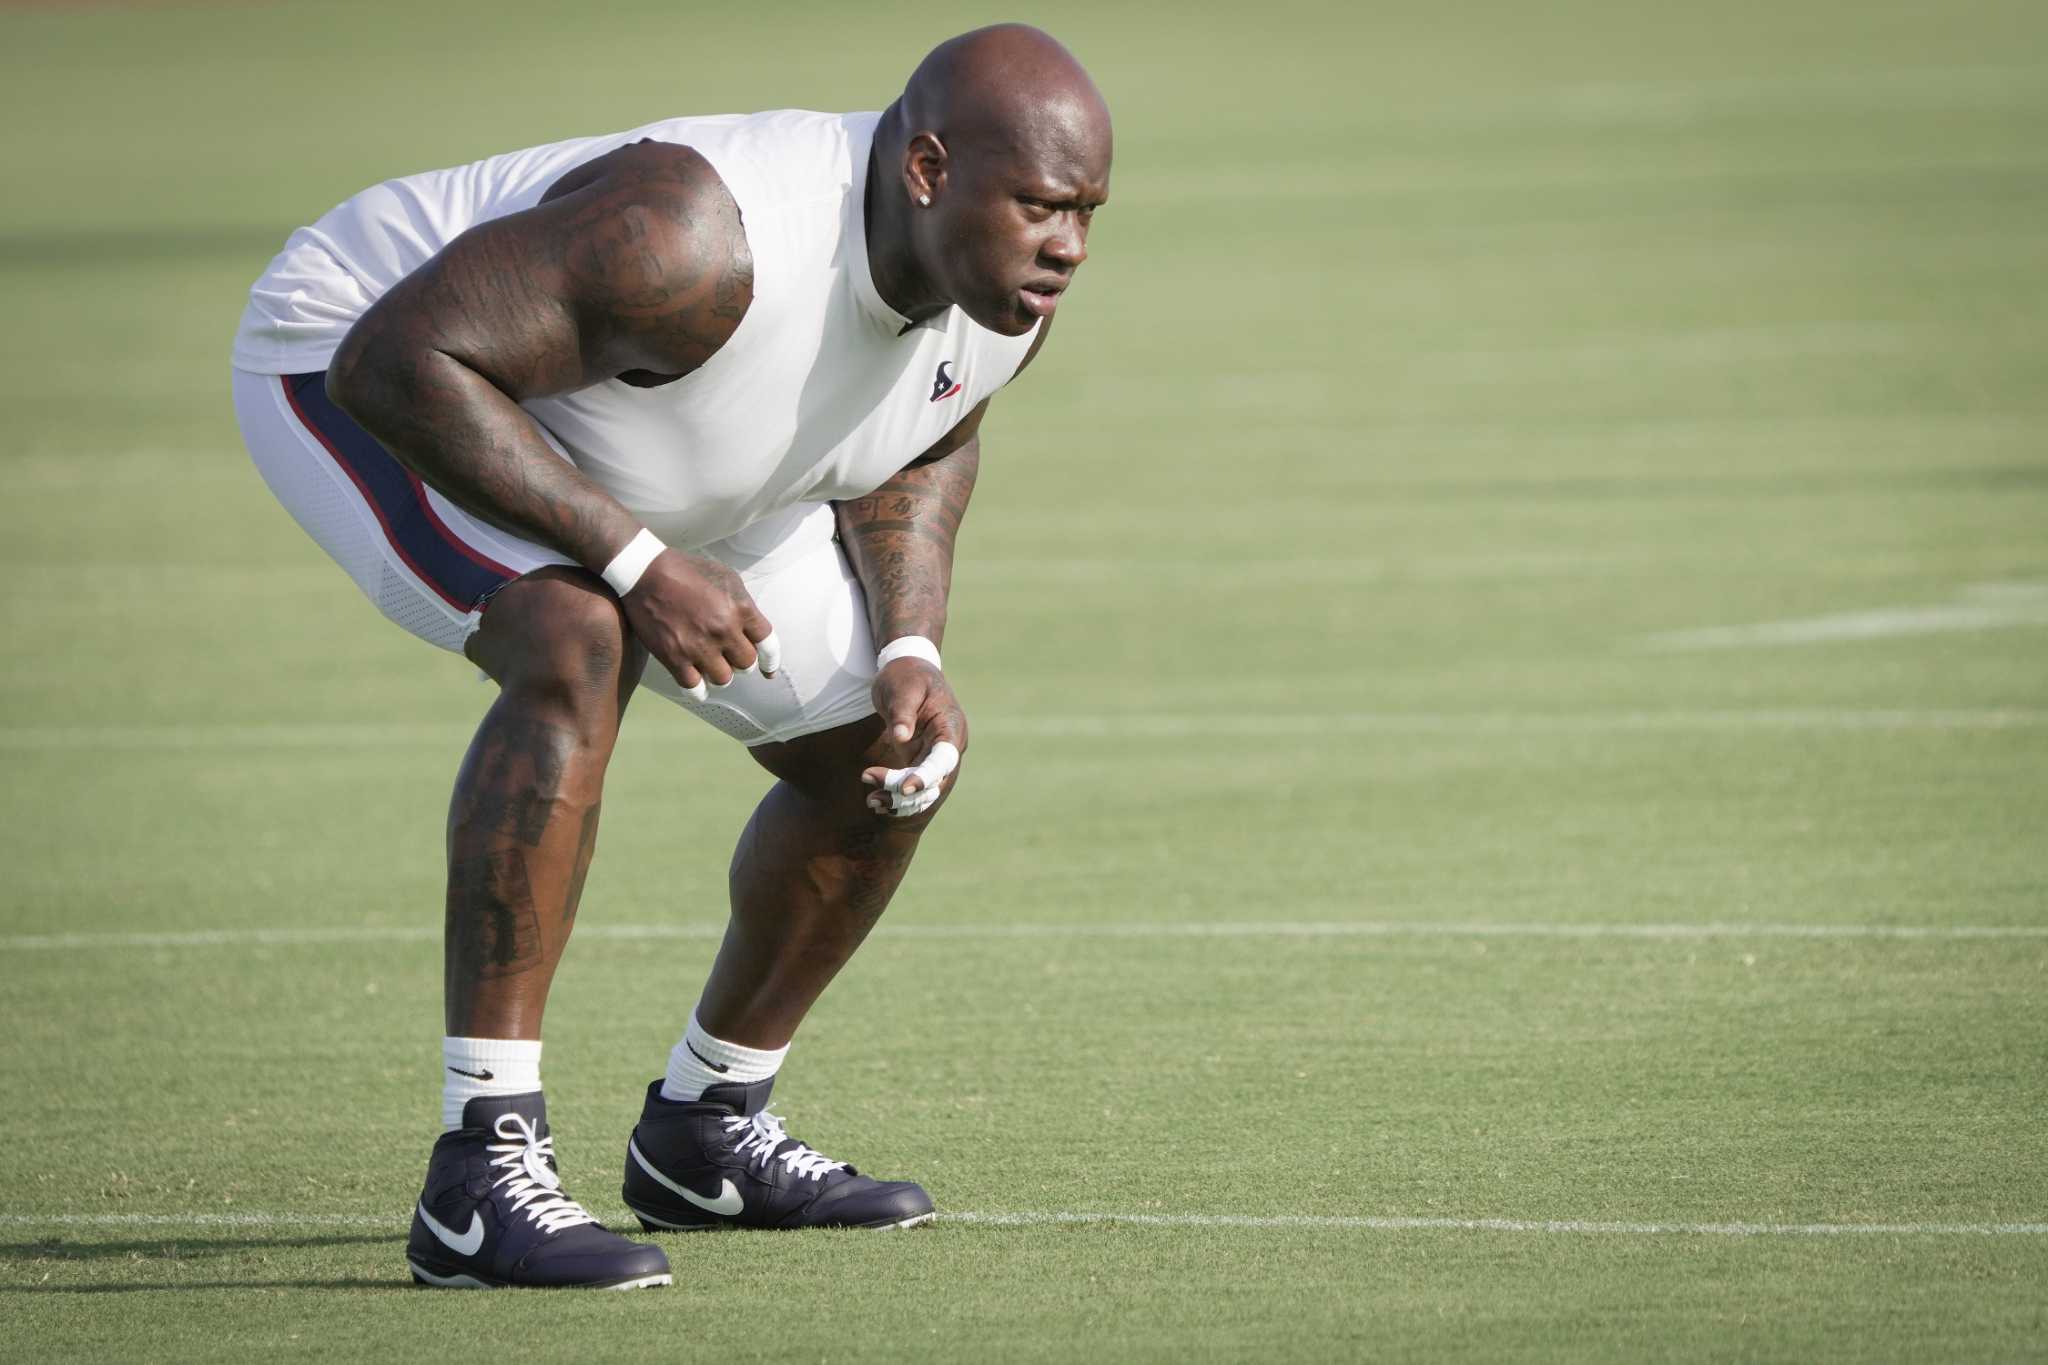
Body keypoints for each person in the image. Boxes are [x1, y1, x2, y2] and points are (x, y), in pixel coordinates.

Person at [228, 24, 1112, 1290]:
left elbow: (921, 437)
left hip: (642, 417)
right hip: (364, 355)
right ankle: (479, 1171)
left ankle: (707, 1126)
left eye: (1085, 213)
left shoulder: (999, 288)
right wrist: (639, 565)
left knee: (888, 750)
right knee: (576, 634)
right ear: (925, 170)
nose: (1068, 246)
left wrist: (911, 641)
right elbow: (398, 360)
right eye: (1039, 207)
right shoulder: (690, 238)